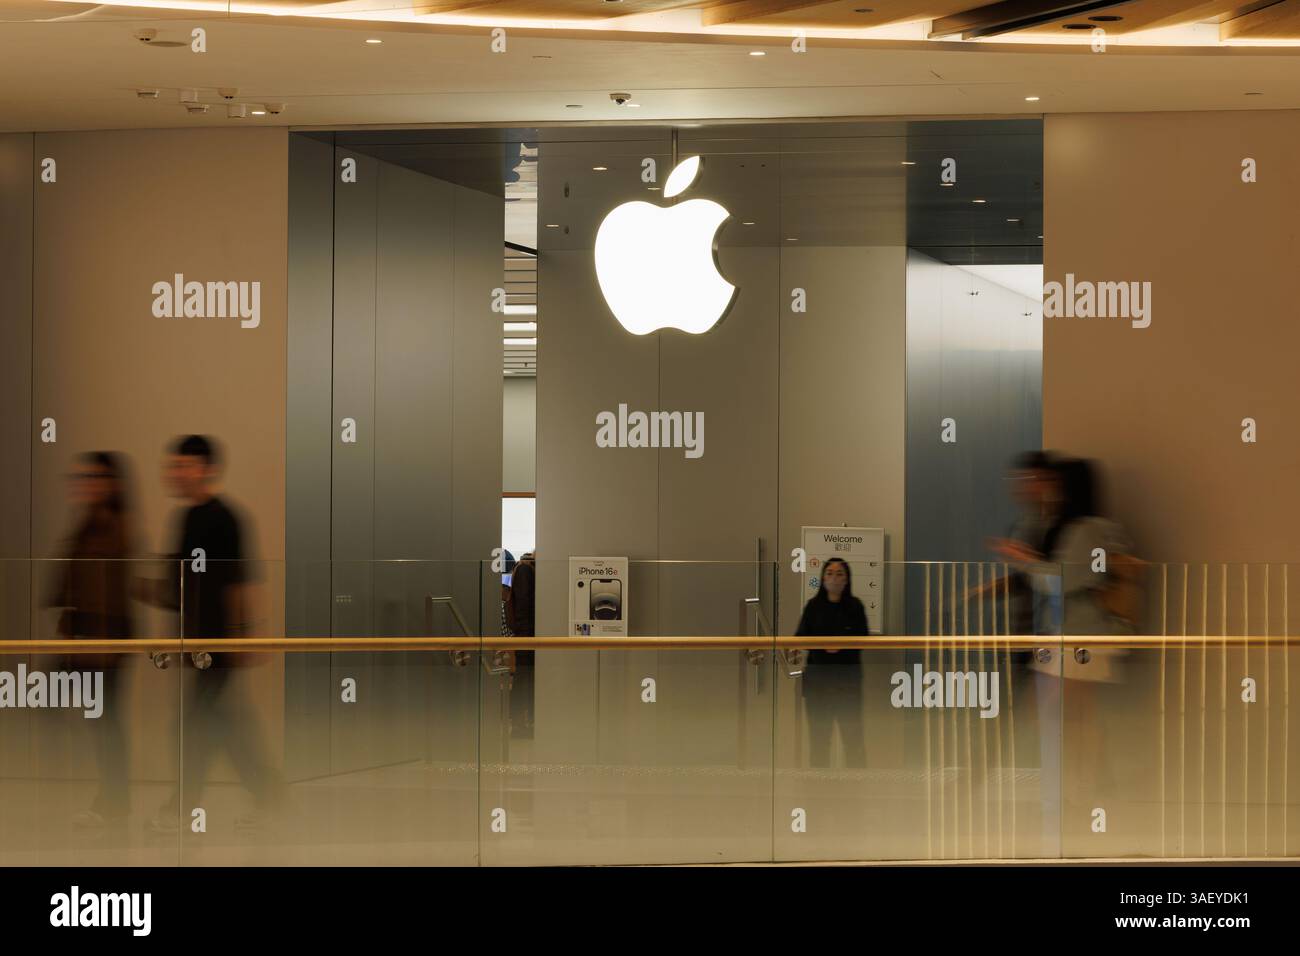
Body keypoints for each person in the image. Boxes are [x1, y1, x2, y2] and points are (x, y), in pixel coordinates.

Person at [992, 457, 1143, 855]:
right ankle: (1077, 793)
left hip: (1077, 639)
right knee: (1074, 717)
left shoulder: (1086, 528)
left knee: (1062, 716)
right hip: (1074, 639)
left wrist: (1021, 558)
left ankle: (1074, 793)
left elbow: (1061, 580)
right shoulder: (1088, 526)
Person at [143, 435, 283, 833]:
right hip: (197, 642)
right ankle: (271, 799)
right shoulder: (185, 518)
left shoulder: (226, 518)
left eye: (182, 466)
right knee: (226, 728)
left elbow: (242, 582)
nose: (174, 474)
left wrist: (245, 637)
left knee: (195, 727)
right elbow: (179, 582)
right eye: (173, 466)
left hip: (218, 644)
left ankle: (181, 809)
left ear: (204, 468)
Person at [45, 452, 136, 828]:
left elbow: (110, 592)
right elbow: (73, 582)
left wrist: (104, 647)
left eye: (95, 477)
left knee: (106, 721)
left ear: (111, 483)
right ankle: (110, 797)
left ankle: (113, 800)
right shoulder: (87, 525)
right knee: (94, 716)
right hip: (84, 639)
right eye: (83, 476)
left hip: (105, 642)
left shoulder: (114, 529)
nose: (86, 483)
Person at [795, 557, 870, 769]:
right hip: (818, 683)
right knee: (819, 739)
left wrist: (842, 646)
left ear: (846, 580)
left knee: (853, 737)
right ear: (822, 578)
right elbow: (800, 636)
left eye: (839, 574)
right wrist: (821, 646)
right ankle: (819, 789)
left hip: (848, 683)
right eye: (829, 573)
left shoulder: (855, 606)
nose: (834, 578)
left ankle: (857, 787)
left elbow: (862, 638)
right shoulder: (813, 606)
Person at [506, 552, 536, 739]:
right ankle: (519, 724)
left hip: (528, 636)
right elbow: (524, 606)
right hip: (527, 637)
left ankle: (525, 722)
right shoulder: (526, 569)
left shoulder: (527, 568)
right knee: (524, 681)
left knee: (525, 681)